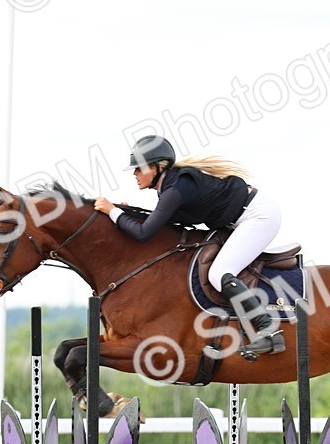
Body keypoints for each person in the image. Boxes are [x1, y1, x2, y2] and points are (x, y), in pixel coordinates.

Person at [93, 135, 285, 355]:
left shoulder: (176, 188)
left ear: (156, 168)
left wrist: (113, 212)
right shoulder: (171, 186)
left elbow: (144, 233)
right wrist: (123, 212)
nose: (134, 173)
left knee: (219, 273)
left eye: (139, 168)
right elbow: (160, 220)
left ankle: (269, 331)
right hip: (244, 217)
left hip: (258, 217)